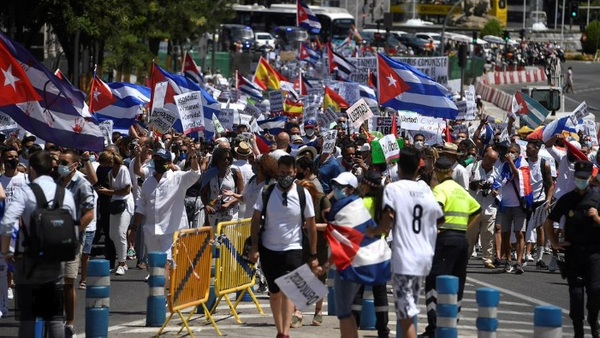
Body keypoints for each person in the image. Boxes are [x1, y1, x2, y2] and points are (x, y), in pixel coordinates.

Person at [367, 147, 443, 338]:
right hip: (423, 255)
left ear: (399, 167)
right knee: (410, 305)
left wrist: (373, 231)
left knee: (405, 313)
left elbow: (387, 220)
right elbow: (439, 219)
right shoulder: (424, 189)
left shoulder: (393, 189)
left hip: (404, 256)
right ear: (418, 168)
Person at [1, 151, 77, 338]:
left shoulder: (25, 192)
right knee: (54, 316)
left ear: (31, 169)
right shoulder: (64, 193)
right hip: (55, 259)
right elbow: (73, 227)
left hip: (28, 258)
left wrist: (6, 251)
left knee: (28, 314)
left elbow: (6, 223)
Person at [248, 155, 318, 338]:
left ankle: (285, 333)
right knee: (275, 292)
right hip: (269, 248)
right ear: (277, 172)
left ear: (295, 172)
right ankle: (279, 328)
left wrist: (313, 253)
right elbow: (255, 220)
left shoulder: (302, 194)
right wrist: (254, 247)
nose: (285, 176)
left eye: (289, 173)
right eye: (282, 173)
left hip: (293, 248)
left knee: (289, 290)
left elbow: (311, 225)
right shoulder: (267, 192)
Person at [420, 156, 481, 338]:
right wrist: (464, 227)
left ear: (436, 172)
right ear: (452, 172)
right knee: (457, 281)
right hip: (461, 239)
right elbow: (477, 210)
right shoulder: (461, 191)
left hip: (445, 238)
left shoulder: (439, 189)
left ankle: (433, 327)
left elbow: (436, 208)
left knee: (433, 280)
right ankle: (451, 325)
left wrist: (435, 228)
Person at [544, 161, 600, 338]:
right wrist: (554, 243)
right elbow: (549, 221)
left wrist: (596, 217)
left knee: (595, 292)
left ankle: (593, 320)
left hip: (594, 253)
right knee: (576, 294)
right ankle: (578, 331)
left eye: (584, 178)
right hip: (573, 252)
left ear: (590, 178)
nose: (580, 181)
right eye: (578, 178)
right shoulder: (567, 199)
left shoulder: (597, 198)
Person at [130, 148, 201, 280]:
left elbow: (195, 174)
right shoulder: (147, 183)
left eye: (161, 161)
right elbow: (141, 206)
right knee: (155, 268)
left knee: (165, 264)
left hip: (171, 231)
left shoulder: (178, 178)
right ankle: (161, 295)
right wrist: (134, 228)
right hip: (151, 231)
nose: (157, 163)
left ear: (168, 163)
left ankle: (161, 299)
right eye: (156, 160)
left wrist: (194, 159)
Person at [58, 150, 97, 337]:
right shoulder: (55, 183)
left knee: (67, 282)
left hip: (72, 241)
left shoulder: (82, 185)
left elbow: (89, 214)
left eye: (64, 162)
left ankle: (70, 323)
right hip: (52, 240)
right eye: (59, 161)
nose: (60, 165)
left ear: (75, 165)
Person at [352, 171, 390, 338]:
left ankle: (354, 324)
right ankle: (383, 328)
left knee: (358, 290)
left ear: (367, 185)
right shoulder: (384, 205)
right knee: (380, 292)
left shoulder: (363, 203)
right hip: (381, 249)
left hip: (363, 249)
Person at [291, 179, 331, 328]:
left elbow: (330, 225)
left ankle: (318, 311)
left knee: (319, 278)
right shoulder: (296, 201)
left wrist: (311, 225)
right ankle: (298, 311)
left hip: (320, 243)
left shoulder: (322, 200)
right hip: (301, 243)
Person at [97, 153, 134, 276]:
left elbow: (127, 189)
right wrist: (109, 193)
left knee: (120, 233)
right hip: (114, 204)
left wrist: (109, 192)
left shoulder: (123, 169)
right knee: (112, 234)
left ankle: (122, 263)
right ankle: (122, 261)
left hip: (125, 203)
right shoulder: (109, 173)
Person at [465, 147, 501, 269]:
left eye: (493, 161)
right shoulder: (472, 168)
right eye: (488, 159)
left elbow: (500, 189)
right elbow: (464, 186)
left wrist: (495, 192)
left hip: (489, 207)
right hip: (474, 207)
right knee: (470, 235)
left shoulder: (496, 172)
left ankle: (488, 259)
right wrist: (476, 185)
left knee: (488, 235)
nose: (490, 163)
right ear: (484, 156)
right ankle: (464, 258)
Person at [200, 147, 244, 227]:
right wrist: (207, 205)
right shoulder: (209, 174)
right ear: (217, 160)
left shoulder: (235, 173)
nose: (226, 161)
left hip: (231, 215)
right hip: (214, 215)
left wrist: (229, 203)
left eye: (228, 158)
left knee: (228, 238)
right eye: (223, 159)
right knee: (215, 238)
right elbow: (203, 194)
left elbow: (241, 195)